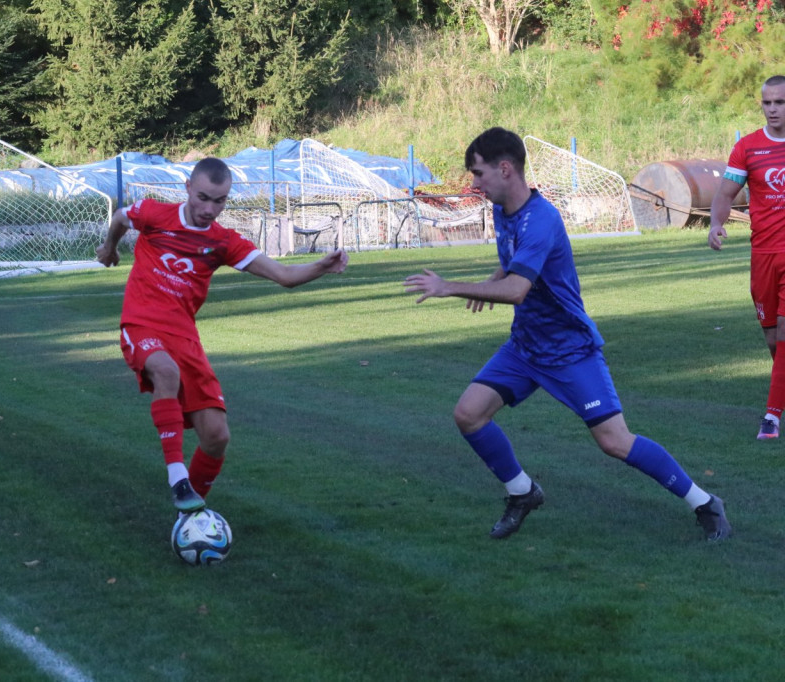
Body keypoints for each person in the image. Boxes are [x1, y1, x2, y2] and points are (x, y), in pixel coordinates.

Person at [403, 127, 731, 542]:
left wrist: (450, 286)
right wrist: (493, 276)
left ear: (505, 169)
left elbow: (518, 290)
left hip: (570, 350)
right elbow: (514, 262)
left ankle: (705, 502)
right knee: (468, 414)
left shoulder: (542, 218)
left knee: (614, 441)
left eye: (478, 173)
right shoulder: (503, 209)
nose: (474, 183)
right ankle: (522, 493)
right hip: (525, 347)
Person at [96, 157, 349, 513]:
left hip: (185, 337)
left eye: (220, 201)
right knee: (165, 372)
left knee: (217, 437)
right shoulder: (155, 214)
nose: (210, 208)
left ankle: (191, 514)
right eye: (203, 197)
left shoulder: (222, 242)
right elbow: (122, 217)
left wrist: (322, 265)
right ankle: (177, 478)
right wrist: (110, 247)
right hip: (142, 323)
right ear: (187, 188)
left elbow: (284, 276)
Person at [708, 74, 785, 440]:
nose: (772, 109)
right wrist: (715, 224)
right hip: (763, 255)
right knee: (772, 339)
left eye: (779, 103)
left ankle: (771, 418)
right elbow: (724, 194)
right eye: (767, 103)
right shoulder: (748, 148)